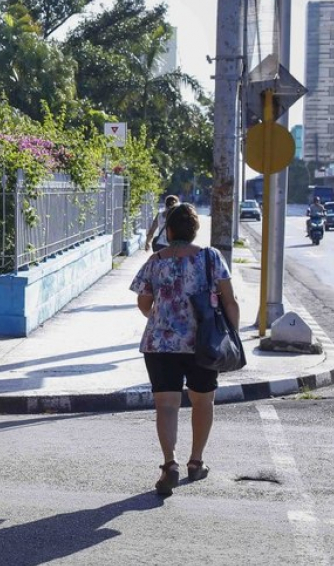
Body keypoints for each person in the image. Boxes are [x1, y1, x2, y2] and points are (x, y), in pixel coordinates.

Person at [130, 203, 239, 497]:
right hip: (202, 344)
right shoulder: (211, 258)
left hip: (160, 344)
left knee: (166, 405)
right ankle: (196, 462)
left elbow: (143, 303)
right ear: (194, 231)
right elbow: (229, 300)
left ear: (170, 230)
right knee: (203, 401)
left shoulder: (155, 261)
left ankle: (169, 465)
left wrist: (161, 314)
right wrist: (232, 334)